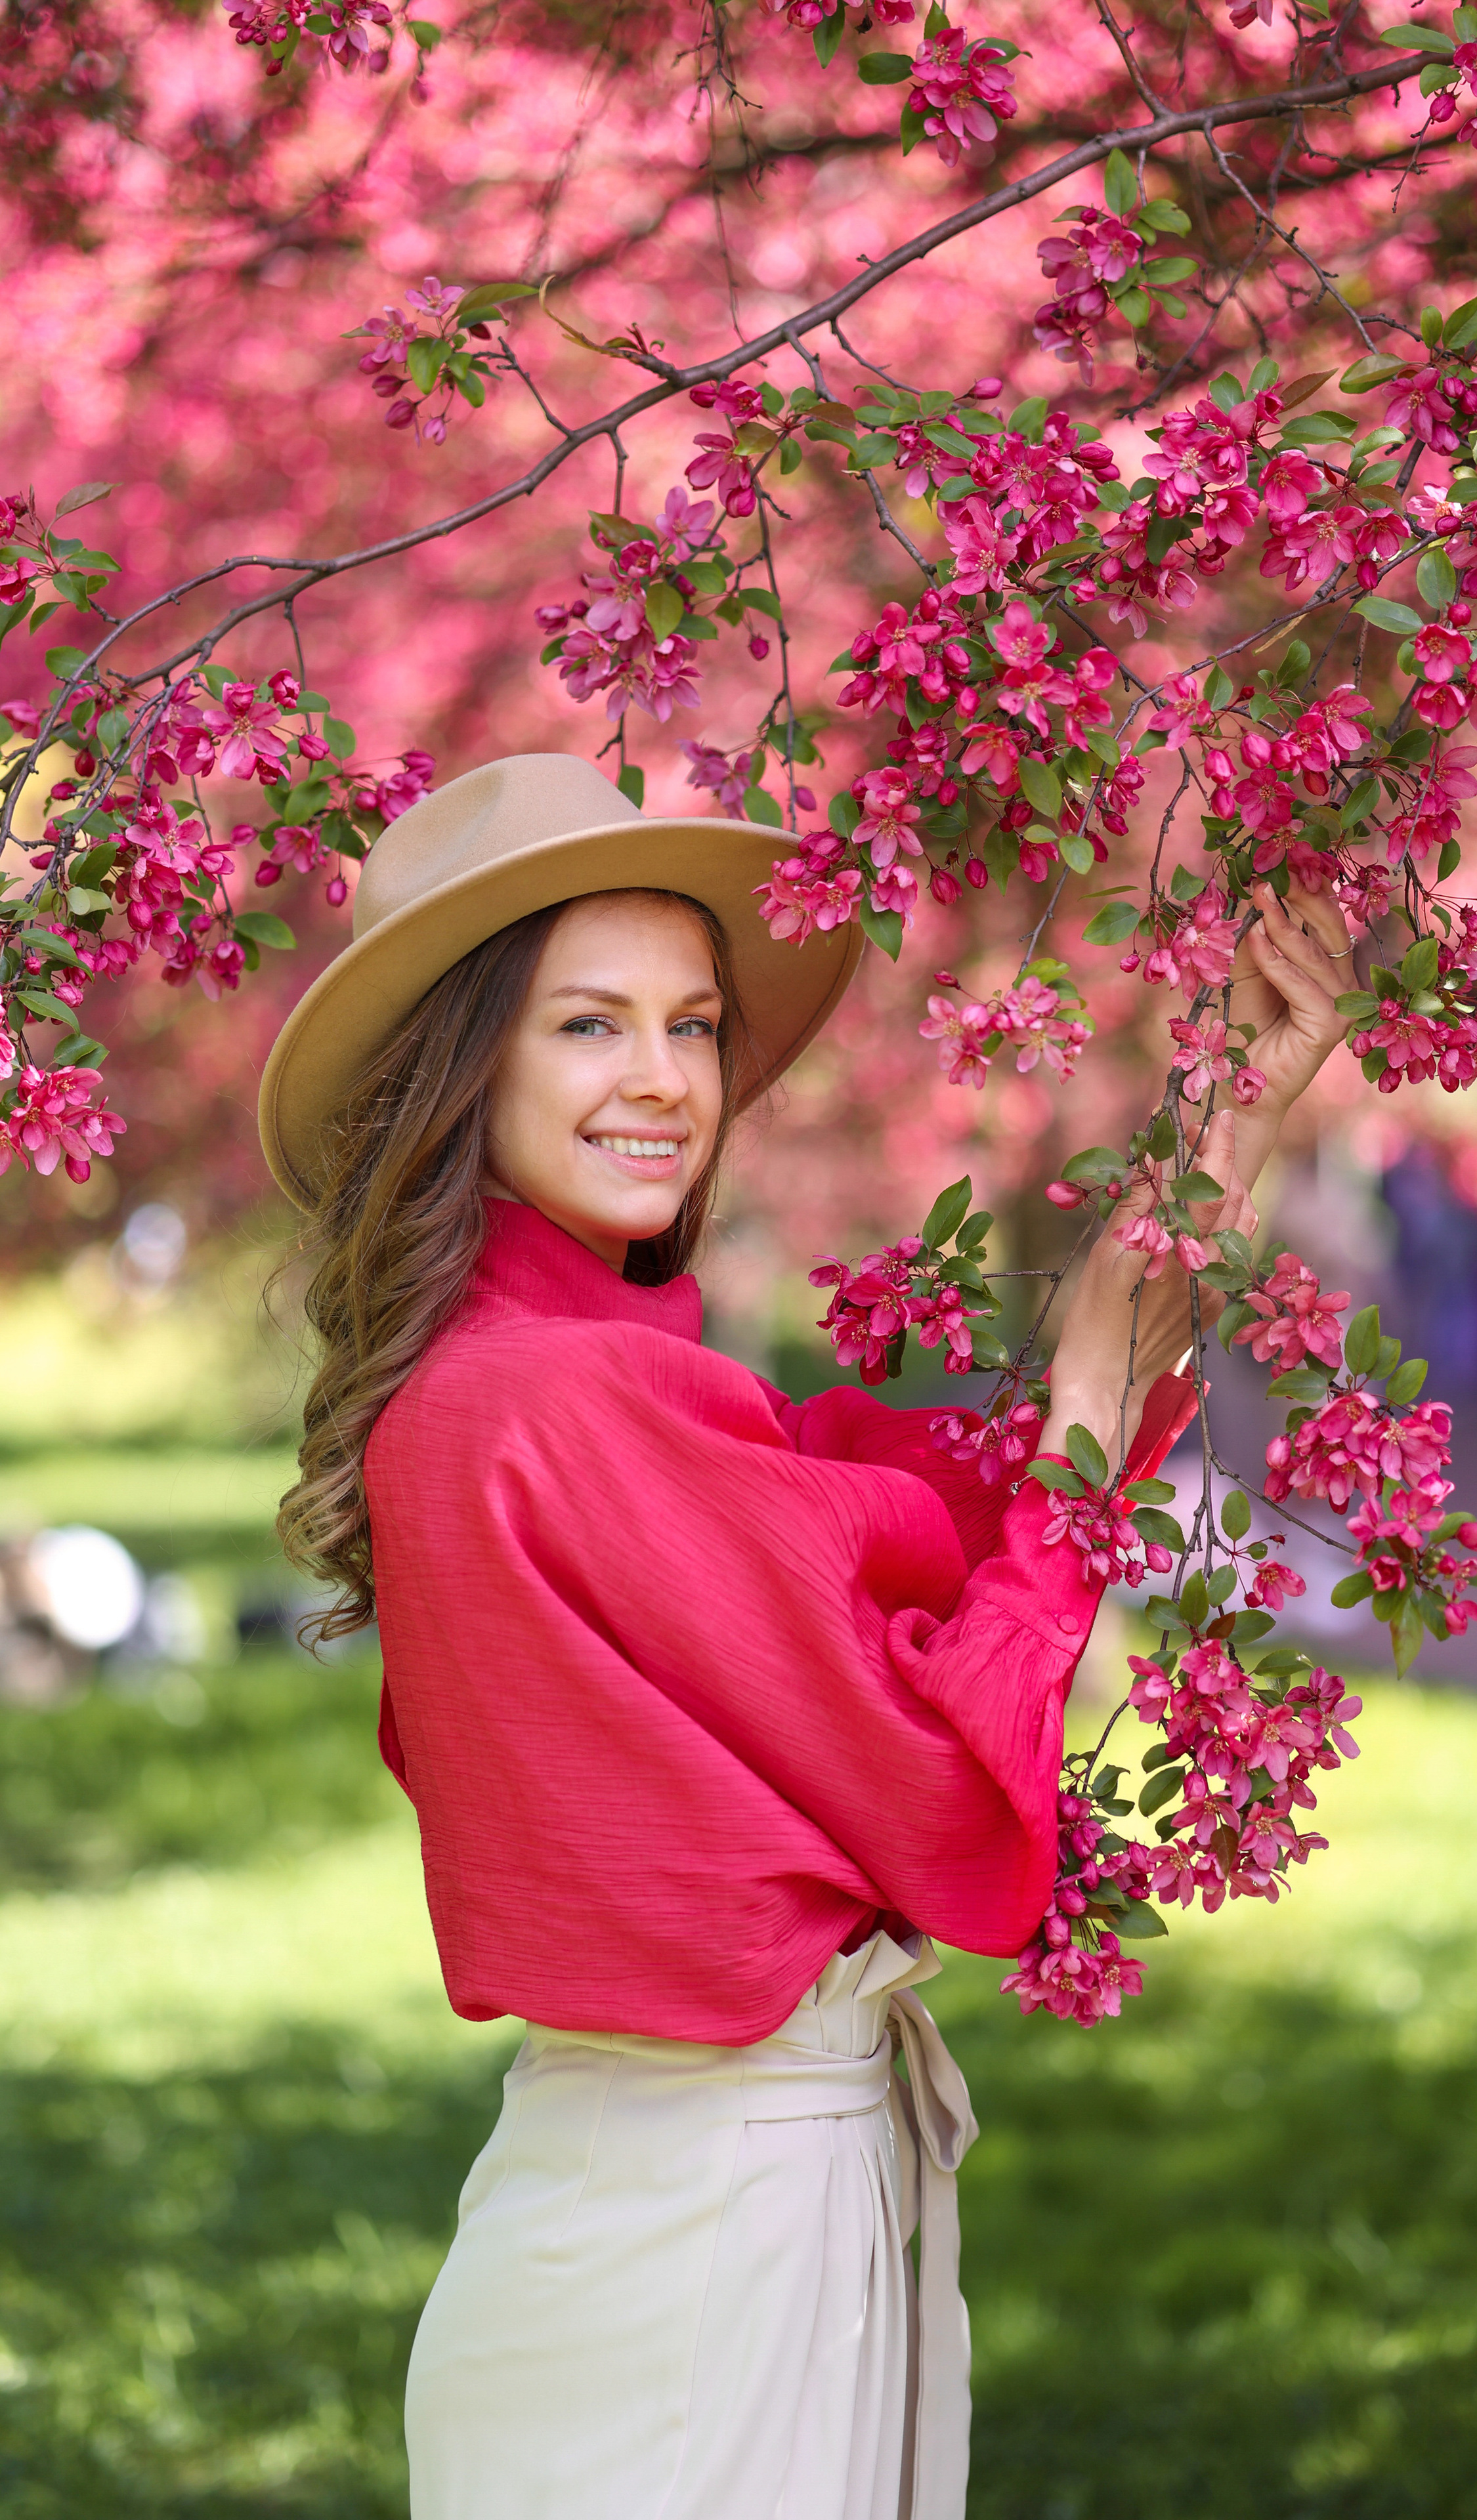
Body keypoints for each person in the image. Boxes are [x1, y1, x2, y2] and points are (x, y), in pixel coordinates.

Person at [258, 752, 1351, 2520]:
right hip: (699, 2228)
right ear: (464, 1074)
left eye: (692, 1026)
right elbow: (930, 1770)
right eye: (589, 1027)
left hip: (709, 2195)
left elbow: (970, 1512)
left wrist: (1227, 1130)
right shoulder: (540, 1406)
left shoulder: (605, 1389)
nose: (665, 1080)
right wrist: (1083, 1386)